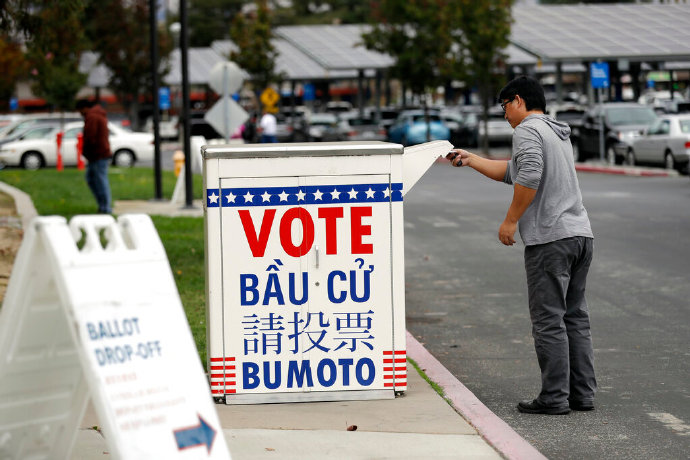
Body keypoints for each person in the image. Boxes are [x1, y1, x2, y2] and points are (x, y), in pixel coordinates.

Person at [447, 76, 596, 415]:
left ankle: (555, 397)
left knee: (548, 320)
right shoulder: (555, 133)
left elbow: (528, 175)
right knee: (574, 318)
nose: (505, 115)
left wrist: (510, 220)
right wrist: (471, 159)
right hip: (579, 235)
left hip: (551, 238)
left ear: (518, 100)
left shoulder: (526, 130)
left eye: (504, 107)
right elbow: (511, 172)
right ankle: (581, 393)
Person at [76, 99, 112, 214]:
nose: (80, 113)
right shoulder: (97, 115)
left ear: (84, 108)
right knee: (93, 179)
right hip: (98, 154)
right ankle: (103, 206)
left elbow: (90, 137)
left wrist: (86, 151)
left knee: (100, 180)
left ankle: (105, 207)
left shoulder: (92, 117)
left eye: (80, 110)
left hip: (97, 154)